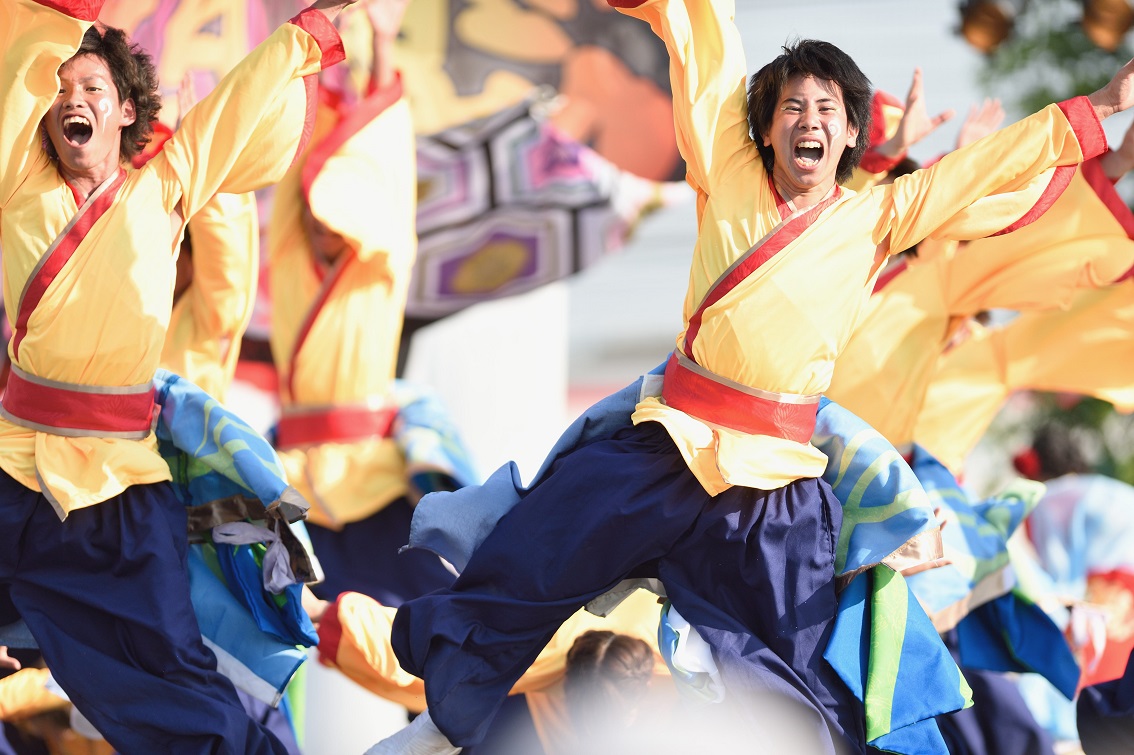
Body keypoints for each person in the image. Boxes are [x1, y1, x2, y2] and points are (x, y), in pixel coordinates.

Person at [370, 0, 1134, 752]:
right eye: (792, 106)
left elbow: (979, 171)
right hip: (667, 448)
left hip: (775, 491)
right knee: (531, 555)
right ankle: (442, 720)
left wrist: (1093, 114)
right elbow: (708, 51)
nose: (809, 119)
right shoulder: (727, 174)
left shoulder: (879, 218)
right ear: (764, 128)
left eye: (827, 108)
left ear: (851, 136)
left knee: (802, 670)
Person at [0, 0, 357, 752]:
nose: (73, 99)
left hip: (122, 489)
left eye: (93, 88)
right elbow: (22, 63)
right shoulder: (17, 185)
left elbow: (234, 109)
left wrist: (302, 33)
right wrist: (59, 17)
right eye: (61, 89)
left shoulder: (165, 188)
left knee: (174, 679)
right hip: (12, 462)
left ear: (126, 110)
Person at [268, 0, 476, 608]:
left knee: (440, 623)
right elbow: (292, 172)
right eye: (315, 212)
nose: (321, 224)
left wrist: (383, 44)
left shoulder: (380, 265)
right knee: (248, 620)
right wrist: (308, 49)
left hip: (373, 476)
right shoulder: (289, 260)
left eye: (338, 213)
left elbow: (383, 165)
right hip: (296, 477)